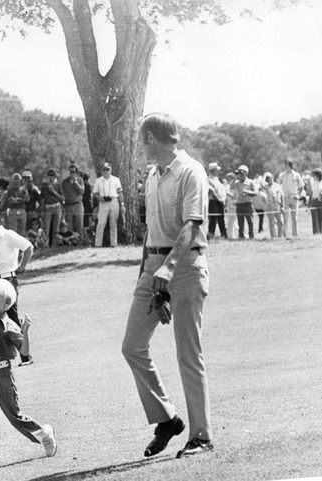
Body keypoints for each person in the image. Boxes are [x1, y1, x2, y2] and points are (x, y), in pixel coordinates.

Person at [122, 113, 213, 459]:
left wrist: (169, 268)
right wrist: (147, 273)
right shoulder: (152, 175)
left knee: (188, 354)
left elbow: (192, 224)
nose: (140, 146)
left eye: (141, 140)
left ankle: (201, 436)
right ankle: (167, 418)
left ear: (152, 138)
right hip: (154, 268)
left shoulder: (191, 171)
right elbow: (152, 230)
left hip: (185, 266)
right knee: (132, 346)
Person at [0, 278, 57, 470]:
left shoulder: (9, 326)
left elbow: (24, 352)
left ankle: (44, 433)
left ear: (6, 303)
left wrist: (25, 331)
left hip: (2, 376)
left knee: (15, 417)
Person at [0, 215, 34, 366]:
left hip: (8, 279)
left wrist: (22, 266)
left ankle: (25, 356)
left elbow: (28, 247)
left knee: (12, 317)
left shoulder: (8, 235)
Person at [92, 162, 124, 247]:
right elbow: (95, 193)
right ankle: (98, 243)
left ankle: (114, 243)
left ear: (111, 170)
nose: (105, 171)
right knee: (101, 223)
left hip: (114, 200)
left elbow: (120, 192)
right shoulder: (98, 180)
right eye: (104, 170)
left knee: (113, 223)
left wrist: (122, 204)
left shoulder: (116, 179)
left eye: (107, 169)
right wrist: (100, 199)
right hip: (103, 202)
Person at [277, 159, 305, 238]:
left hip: (294, 198)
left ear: (290, 165)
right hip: (285, 198)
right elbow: (277, 185)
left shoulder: (296, 175)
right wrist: (280, 196)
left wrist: (298, 195)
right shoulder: (281, 175)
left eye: (286, 164)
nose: (285, 166)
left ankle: (295, 235)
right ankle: (284, 235)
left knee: (294, 218)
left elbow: (301, 186)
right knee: (285, 218)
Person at [232, 165, 257, 239]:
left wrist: (248, 192)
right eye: (239, 173)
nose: (240, 175)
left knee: (250, 221)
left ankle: (251, 236)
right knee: (240, 222)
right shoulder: (236, 182)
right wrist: (235, 178)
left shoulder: (250, 182)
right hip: (239, 204)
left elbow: (255, 193)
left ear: (246, 173)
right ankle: (241, 236)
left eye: (241, 173)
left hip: (248, 204)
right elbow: (231, 188)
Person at [40, 169, 64, 247]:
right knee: (46, 228)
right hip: (48, 208)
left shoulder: (58, 185)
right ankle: (46, 245)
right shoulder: (44, 185)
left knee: (56, 229)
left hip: (57, 207)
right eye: (49, 175)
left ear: (54, 176)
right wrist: (42, 208)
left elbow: (62, 198)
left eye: (52, 175)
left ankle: (54, 245)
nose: (50, 177)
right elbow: (42, 198)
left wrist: (54, 191)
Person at [61, 164, 85, 239]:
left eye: (73, 172)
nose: (71, 173)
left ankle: (80, 242)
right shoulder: (64, 182)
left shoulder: (80, 180)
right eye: (70, 171)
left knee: (79, 226)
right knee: (70, 228)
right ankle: (71, 242)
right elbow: (62, 194)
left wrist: (75, 182)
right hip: (68, 206)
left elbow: (82, 191)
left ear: (76, 172)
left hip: (78, 205)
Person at [206, 163, 227, 239]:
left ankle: (223, 235)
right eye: (217, 170)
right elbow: (211, 192)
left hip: (220, 201)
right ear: (213, 170)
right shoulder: (208, 180)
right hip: (214, 202)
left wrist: (223, 200)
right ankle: (211, 235)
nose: (218, 171)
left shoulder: (216, 179)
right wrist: (219, 200)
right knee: (213, 220)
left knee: (221, 219)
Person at [306, 168, 322, 235]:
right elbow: (311, 195)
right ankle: (316, 233)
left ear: (318, 175)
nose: (313, 177)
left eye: (314, 175)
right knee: (315, 219)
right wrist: (308, 206)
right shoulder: (313, 183)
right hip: (314, 202)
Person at [263, 172, 285, 238]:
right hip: (270, 205)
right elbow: (260, 184)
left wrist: (282, 206)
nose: (269, 180)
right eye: (267, 179)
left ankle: (280, 236)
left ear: (272, 177)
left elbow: (282, 196)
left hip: (278, 205)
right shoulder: (266, 187)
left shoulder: (278, 186)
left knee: (281, 222)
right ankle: (273, 236)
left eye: (269, 178)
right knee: (272, 223)